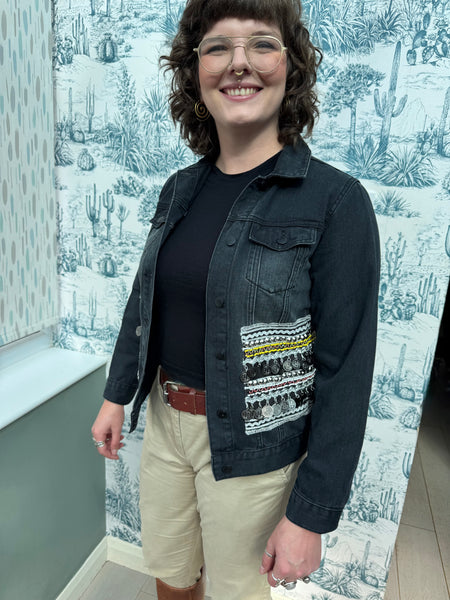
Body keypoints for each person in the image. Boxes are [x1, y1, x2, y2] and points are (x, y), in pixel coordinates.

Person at [91, 0, 380, 598]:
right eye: (218, 47)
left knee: (234, 592)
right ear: (195, 73)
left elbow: (346, 369)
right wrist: (118, 396)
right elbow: (144, 304)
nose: (238, 63)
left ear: (291, 67)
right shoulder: (179, 189)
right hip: (168, 424)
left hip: (256, 449)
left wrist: (309, 515)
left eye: (262, 44)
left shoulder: (336, 201)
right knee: (170, 576)